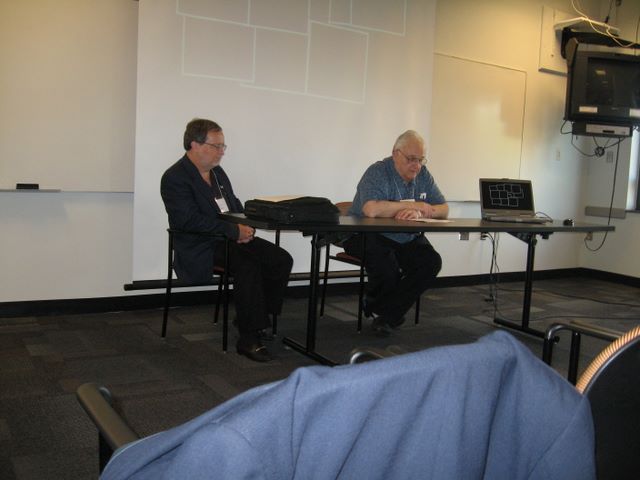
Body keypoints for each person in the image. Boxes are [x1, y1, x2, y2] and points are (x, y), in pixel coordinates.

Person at [161, 118, 293, 362]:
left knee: (280, 259)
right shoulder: (175, 177)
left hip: (227, 238)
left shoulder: (218, 173)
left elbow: (233, 206)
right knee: (247, 264)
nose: (221, 151)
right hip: (200, 244)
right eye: (216, 146)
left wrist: (247, 224)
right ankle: (248, 338)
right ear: (195, 145)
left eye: (223, 146)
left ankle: (256, 317)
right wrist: (233, 232)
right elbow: (188, 221)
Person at [344, 130, 448, 335]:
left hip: (405, 236)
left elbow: (444, 209)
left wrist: (421, 211)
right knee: (387, 265)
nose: (416, 165)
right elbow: (371, 210)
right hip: (365, 234)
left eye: (421, 160)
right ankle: (385, 311)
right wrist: (412, 205)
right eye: (411, 159)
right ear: (395, 154)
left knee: (431, 262)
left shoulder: (423, 175)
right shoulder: (378, 171)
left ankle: (385, 313)